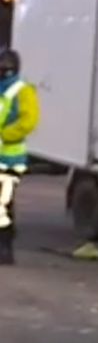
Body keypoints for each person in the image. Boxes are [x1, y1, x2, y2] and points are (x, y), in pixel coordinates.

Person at [0, 48, 39, 265]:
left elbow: (28, 121)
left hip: (10, 158)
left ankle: (5, 248)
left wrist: (4, 135)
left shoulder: (22, 91)